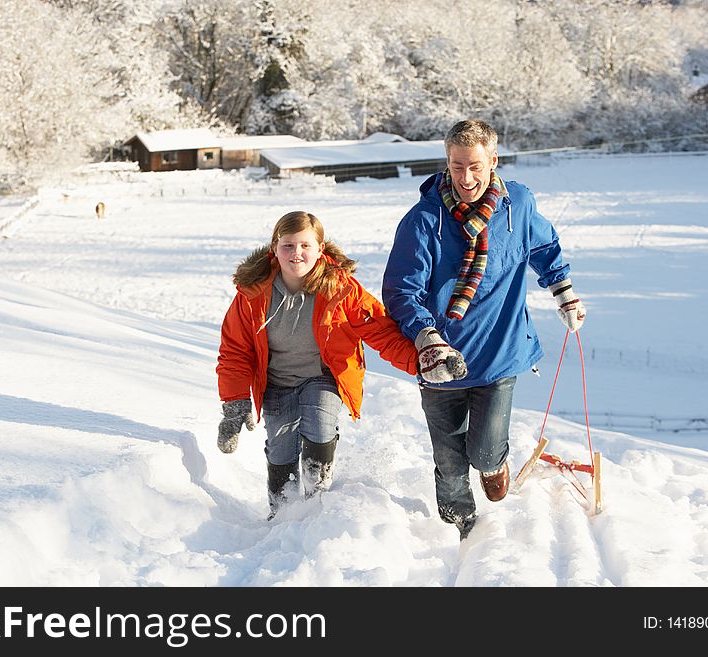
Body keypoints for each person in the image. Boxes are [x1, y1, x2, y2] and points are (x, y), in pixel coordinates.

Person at [382, 119, 586, 540]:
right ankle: (460, 532)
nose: (466, 177)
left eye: (475, 166)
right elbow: (402, 290)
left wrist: (563, 291)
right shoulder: (424, 220)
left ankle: (495, 463)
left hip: (500, 352)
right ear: (447, 162)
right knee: (449, 459)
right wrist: (427, 337)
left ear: (493, 161)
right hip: (441, 359)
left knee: (483, 451)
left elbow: (543, 246)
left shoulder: (519, 205)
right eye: (457, 166)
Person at [216, 210, 466, 519]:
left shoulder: (341, 288)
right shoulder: (252, 295)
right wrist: (235, 403)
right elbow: (235, 351)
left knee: (320, 426)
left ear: (320, 249)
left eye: (306, 245)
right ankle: (281, 513)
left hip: (322, 376)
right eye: (289, 245)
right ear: (274, 247)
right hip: (277, 381)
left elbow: (381, 331)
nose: (297, 254)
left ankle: (317, 505)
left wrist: (422, 362)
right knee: (281, 447)